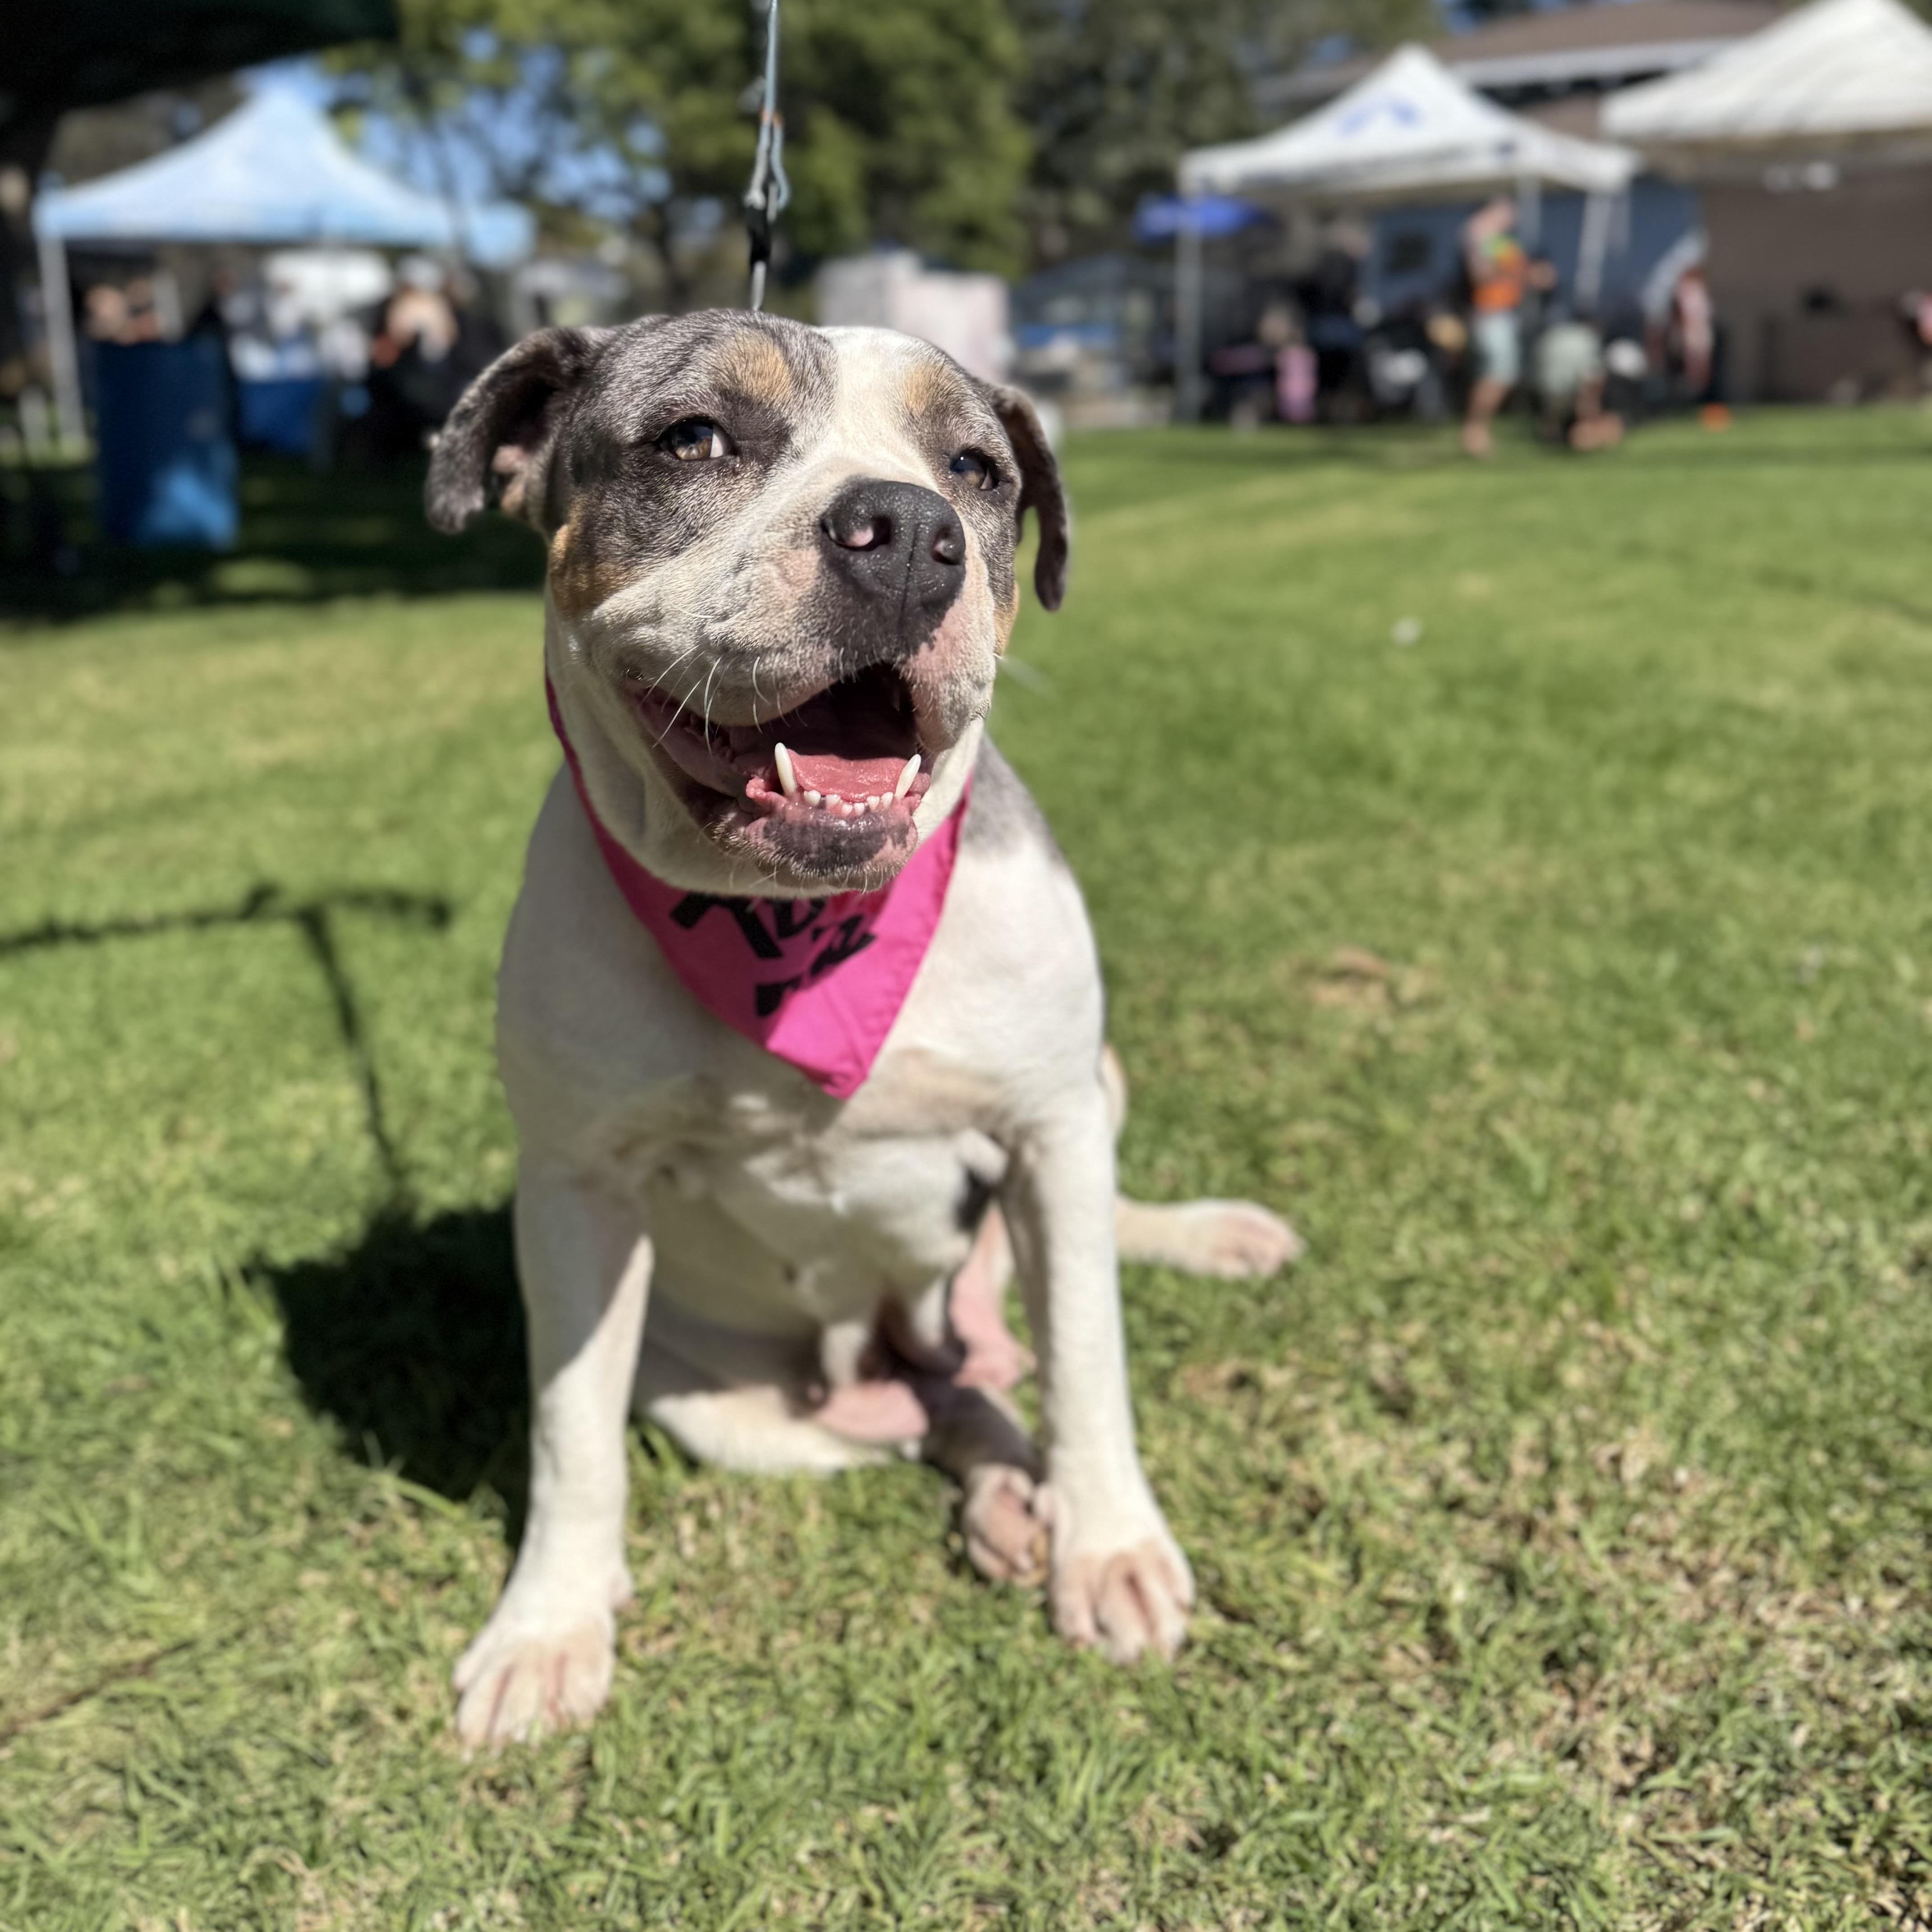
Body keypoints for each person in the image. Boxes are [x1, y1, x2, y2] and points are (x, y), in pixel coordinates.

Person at [1458, 198, 1554, 458]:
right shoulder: (1480, 234)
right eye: (1508, 210)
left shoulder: (1498, 240)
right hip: (1491, 314)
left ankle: (1478, 431)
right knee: (1498, 374)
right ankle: (1475, 431)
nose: (1514, 216)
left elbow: (1513, 272)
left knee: (1501, 373)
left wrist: (1532, 276)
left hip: (1503, 313)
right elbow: (1481, 274)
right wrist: (1521, 273)